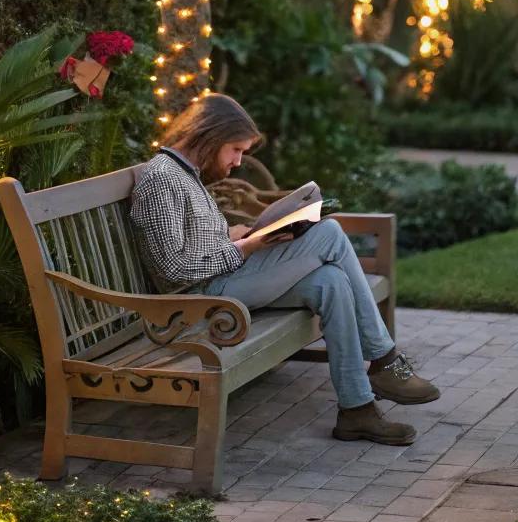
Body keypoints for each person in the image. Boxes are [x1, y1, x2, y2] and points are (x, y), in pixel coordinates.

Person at [130, 94, 439, 444]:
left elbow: (192, 245)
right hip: (198, 303)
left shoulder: (186, 174)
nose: (237, 162)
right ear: (209, 137)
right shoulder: (161, 179)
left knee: (331, 281)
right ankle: (384, 359)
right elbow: (174, 270)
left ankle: (357, 410)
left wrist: (239, 235)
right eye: (235, 150)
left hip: (221, 284)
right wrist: (246, 248)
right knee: (331, 233)